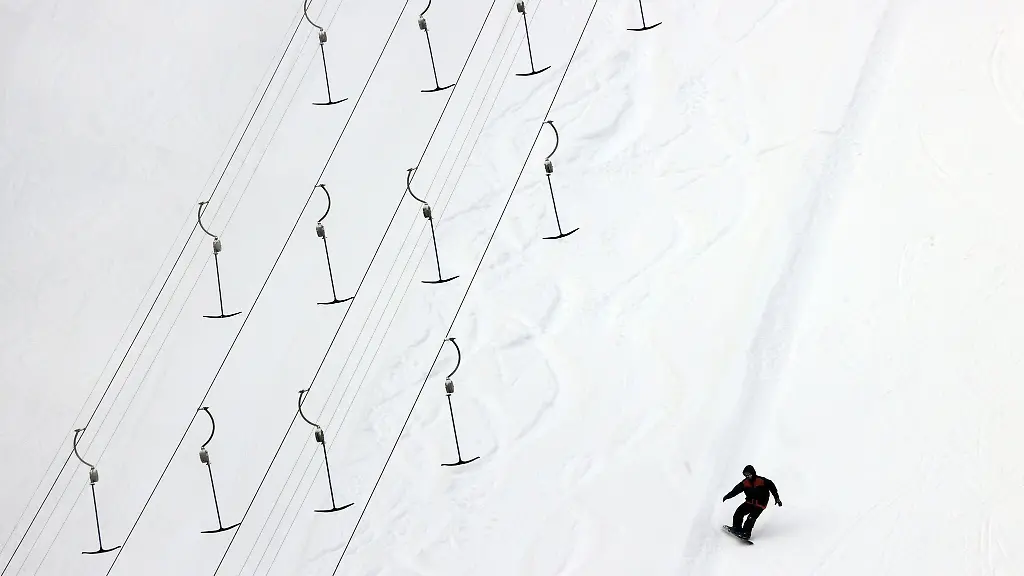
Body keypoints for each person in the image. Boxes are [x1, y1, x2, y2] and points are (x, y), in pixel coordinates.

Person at [722, 465, 781, 539]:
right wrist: (727, 496)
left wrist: (777, 498)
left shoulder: (761, 480)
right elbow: (736, 490)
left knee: (751, 518)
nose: (748, 477)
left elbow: (772, 486)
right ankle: (737, 528)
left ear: (753, 473)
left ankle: (746, 533)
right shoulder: (745, 482)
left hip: (760, 504)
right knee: (739, 512)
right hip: (750, 502)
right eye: (745, 475)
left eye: (749, 475)